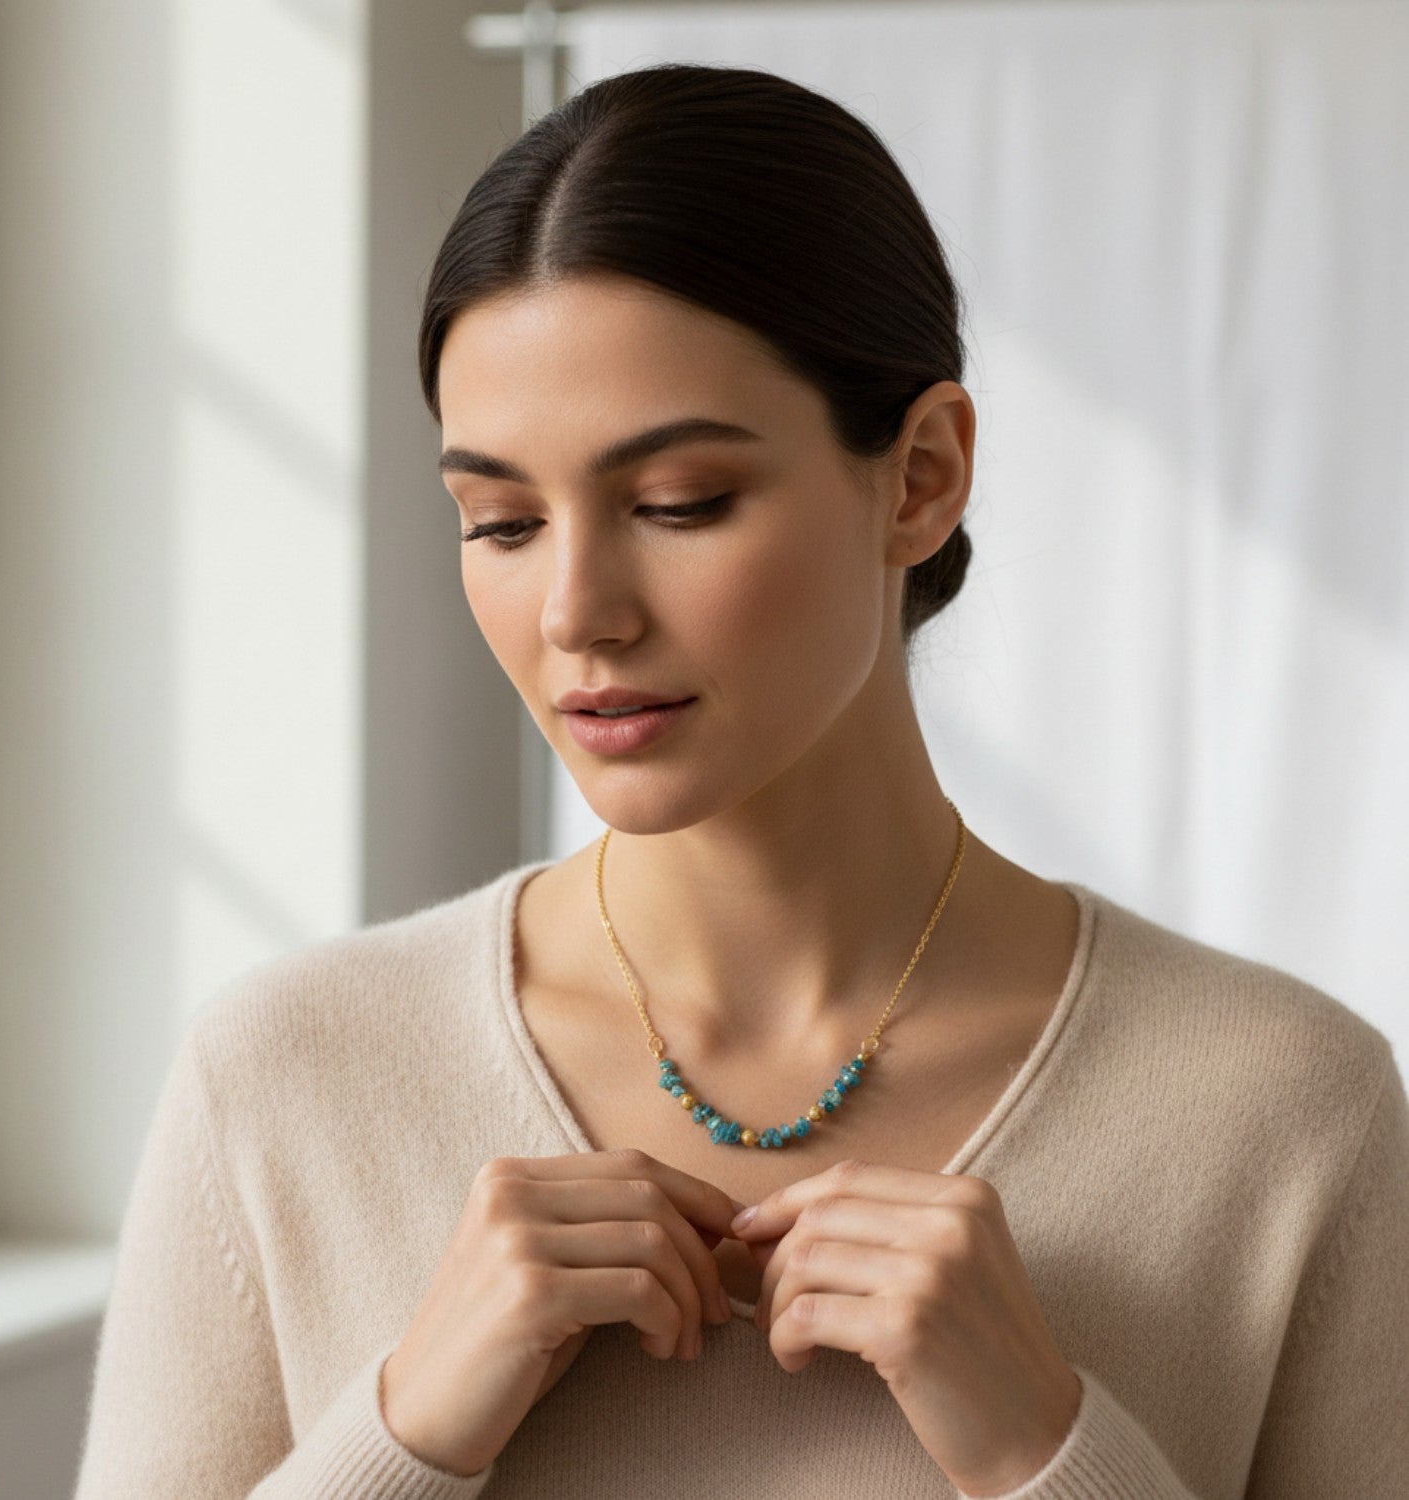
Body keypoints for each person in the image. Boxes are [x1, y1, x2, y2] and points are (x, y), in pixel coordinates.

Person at [73, 62, 1409, 1499]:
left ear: (921, 478)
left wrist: (1050, 1451)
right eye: (501, 521)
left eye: (676, 504)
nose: (578, 611)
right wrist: (402, 1432)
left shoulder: (1282, 1112)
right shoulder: (283, 1081)